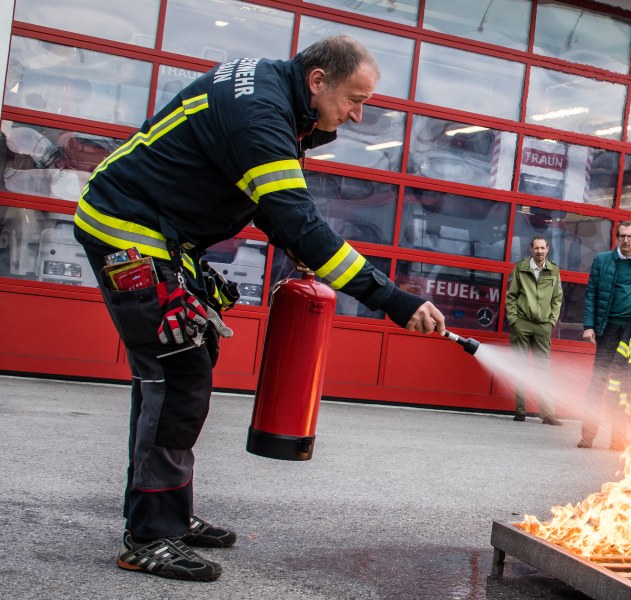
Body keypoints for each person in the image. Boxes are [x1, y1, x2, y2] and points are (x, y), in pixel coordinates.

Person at [72, 36, 445, 582]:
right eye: (353, 99)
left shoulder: (277, 95)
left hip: (157, 236)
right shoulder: (261, 115)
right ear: (317, 80)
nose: (358, 116)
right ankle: (150, 535)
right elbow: (298, 220)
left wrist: (288, 230)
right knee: (176, 377)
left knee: (179, 371)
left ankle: (165, 513)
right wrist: (392, 299)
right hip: (128, 235)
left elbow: (263, 197)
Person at [578, 221, 631, 449]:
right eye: (621, 236)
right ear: (616, 237)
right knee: (599, 382)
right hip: (608, 329)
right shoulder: (602, 260)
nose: (625, 240)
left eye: (629, 237)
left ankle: (619, 439)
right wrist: (589, 325)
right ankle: (587, 436)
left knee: (624, 386)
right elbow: (591, 293)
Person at [505, 236, 563, 425]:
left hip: (542, 327)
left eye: (543, 248)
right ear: (531, 249)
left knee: (543, 370)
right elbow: (511, 296)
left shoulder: (554, 270)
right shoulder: (520, 268)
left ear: (548, 250)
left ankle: (547, 414)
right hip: (521, 324)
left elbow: (557, 299)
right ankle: (520, 411)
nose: (539, 251)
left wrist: (551, 322)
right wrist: (514, 320)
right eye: (536, 248)